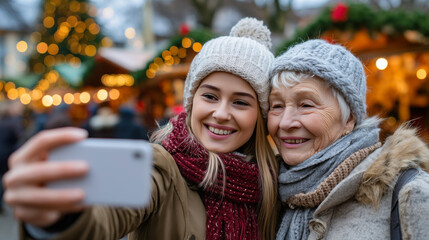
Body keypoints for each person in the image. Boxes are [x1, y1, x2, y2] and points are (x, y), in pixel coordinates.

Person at [3, 17, 279, 240]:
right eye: (210, 96)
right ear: (192, 101)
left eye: (241, 102)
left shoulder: (273, 181)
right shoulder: (162, 166)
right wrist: (60, 218)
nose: (221, 113)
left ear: (260, 114)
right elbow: (106, 218)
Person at [268, 39, 429, 240]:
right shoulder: (267, 195)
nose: (284, 122)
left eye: (306, 105)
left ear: (349, 118)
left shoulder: (410, 194)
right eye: (276, 106)